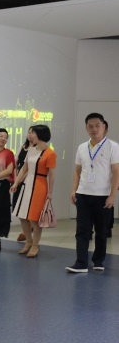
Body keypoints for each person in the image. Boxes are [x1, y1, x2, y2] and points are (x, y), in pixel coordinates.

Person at [66, 113, 119, 273]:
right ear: (86, 128)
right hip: (83, 194)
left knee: (102, 231)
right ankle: (81, 263)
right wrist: (74, 190)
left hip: (103, 196)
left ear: (104, 127)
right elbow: (77, 171)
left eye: (97, 125)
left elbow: (116, 173)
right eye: (90, 126)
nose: (94, 129)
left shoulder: (113, 146)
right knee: (82, 230)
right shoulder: (82, 147)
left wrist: (112, 195)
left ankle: (98, 261)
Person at [10, 124, 56, 258]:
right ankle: (28, 242)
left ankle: (35, 245)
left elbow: (52, 175)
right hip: (26, 185)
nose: (30, 135)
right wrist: (16, 183)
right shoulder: (31, 150)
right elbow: (24, 168)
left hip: (40, 186)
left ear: (40, 135)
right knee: (22, 215)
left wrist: (50, 192)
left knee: (34, 219)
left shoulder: (50, 153)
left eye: (33, 133)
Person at [13, 127, 36, 242]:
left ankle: (26, 231)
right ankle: (27, 229)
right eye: (29, 132)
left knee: (27, 206)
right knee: (17, 205)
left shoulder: (37, 148)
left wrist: (22, 177)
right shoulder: (23, 146)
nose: (30, 135)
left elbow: (32, 166)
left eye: (33, 133)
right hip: (19, 179)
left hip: (30, 180)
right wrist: (16, 178)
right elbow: (15, 162)